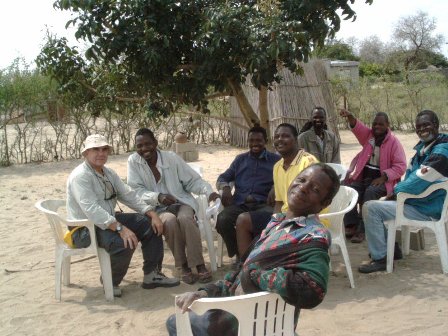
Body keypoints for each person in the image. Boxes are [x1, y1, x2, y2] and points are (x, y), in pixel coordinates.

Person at [166, 163, 341, 336]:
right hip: (270, 322)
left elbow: (313, 290)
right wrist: (203, 292)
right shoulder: (278, 222)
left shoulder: (313, 235)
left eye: (315, 190)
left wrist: (255, 276)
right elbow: (239, 274)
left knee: (174, 322)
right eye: (301, 180)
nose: (303, 188)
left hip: (242, 323)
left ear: (324, 203)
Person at [66, 134, 180, 297]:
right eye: (95, 149)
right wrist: (120, 228)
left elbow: (128, 194)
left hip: (107, 220)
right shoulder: (81, 176)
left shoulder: (108, 173)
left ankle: (152, 275)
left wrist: (152, 213)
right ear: (85, 153)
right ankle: (110, 281)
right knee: (124, 242)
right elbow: (91, 210)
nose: (101, 153)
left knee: (149, 224)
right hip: (84, 229)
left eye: (104, 149)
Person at [359, 110, 448, 273]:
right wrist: (396, 194)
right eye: (419, 126)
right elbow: (411, 177)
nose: (422, 129)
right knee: (377, 205)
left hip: (426, 208)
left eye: (426, 125)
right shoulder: (426, 149)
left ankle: (380, 258)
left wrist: (394, 193)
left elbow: (416, 182)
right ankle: (393, 249)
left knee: (371, 208)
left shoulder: (441, 153)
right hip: (420, 202)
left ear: (436, 125)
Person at [127, 128, 220, 284]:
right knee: (169, 222)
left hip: (181, 202)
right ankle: (183, 266)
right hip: (156, 209)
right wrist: (158, 197)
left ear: (155, 143)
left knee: (185, 219)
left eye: (147, 144)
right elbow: (135, 191)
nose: (144, 149)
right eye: (139, 146)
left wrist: (208, 192)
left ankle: (199, 264)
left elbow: (192, 181)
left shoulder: (171, 158)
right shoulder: (133, 162)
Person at [235, 123, 319, 257]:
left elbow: (310, 204)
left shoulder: (308, 163)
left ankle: (254, 265)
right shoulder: (278, 166)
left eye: (285, 136)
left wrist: (279, 228)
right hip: (285, 218)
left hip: (308, 220)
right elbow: (279, 203)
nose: (280, 139)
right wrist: (272, 225)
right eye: (277, 136)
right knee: (243, 220)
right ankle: (244, 266)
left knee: (265, 246)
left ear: (296, 139)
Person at [340, 109, 407, 243]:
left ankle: (363, 229)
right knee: (347, 189)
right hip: (363, 177)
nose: (376, 126)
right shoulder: (369, 136)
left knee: (370, 192)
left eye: (380, 124)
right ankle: (351, 224)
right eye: (374, 124)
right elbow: (358, 128)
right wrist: (350, 117)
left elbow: (401, 166)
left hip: (382, 181)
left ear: (387, 125)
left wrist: (383, 177)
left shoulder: (394, 142)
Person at [215, 126, 280, 263]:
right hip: (240, 203)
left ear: (266, 141)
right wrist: (226, 188)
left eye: (259, 140)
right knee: (223, 219)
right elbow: (223, 177)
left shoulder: (276, 161)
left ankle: (258, 255)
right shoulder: (240, 160)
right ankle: (239, 254)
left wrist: (275, 186)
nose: (254, 144)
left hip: (264, 204)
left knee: (270, 220)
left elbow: (283, 178)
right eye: (251, 140)